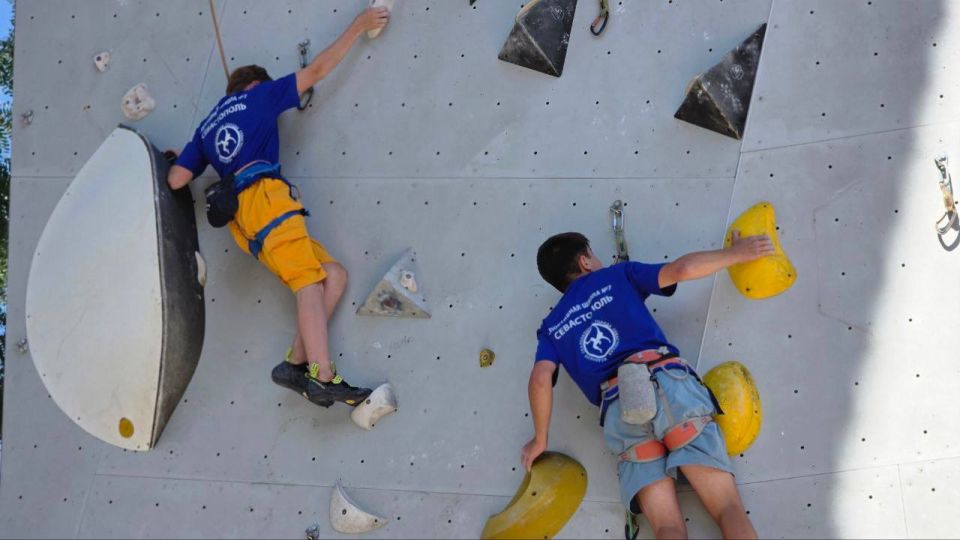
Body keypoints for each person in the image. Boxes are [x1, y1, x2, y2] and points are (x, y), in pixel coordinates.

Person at [166, 7, 390, 408]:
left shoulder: (204, 128)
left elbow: (176, 180)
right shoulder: (262, 95)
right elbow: (318, 70)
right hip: (267, 199)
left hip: (245, 218)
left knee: (332, 276)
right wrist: (359, 25)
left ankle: (295, 364)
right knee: (307, 285)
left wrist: (174, 156)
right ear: (254, 84)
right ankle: (323, 376)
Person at [522, 231, 770, 540]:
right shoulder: (617, 275)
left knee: (667, 528)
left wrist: (540, 439)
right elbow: (680, 270)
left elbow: (540, 378)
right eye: (593, 255)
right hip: (667, 386)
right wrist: (738, 253)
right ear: (585, 261)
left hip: (621, 410)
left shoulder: (552, 327)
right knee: (726, 508)